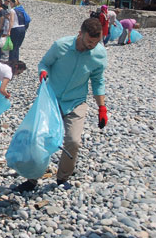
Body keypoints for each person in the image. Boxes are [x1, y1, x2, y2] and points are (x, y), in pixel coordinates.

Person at [15, 18, 107, 192]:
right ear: (80, 34)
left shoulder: (99, 54)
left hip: (76, 101)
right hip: (51, 99)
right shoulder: (61, 46)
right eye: (89, 42)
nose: (92, 46)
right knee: (41, 138)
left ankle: (62, 177)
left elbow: (97, 81)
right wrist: (43, 73)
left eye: (96, 43)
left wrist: (102, 108)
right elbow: (44, 63)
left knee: (73, 141)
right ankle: (32, 178)